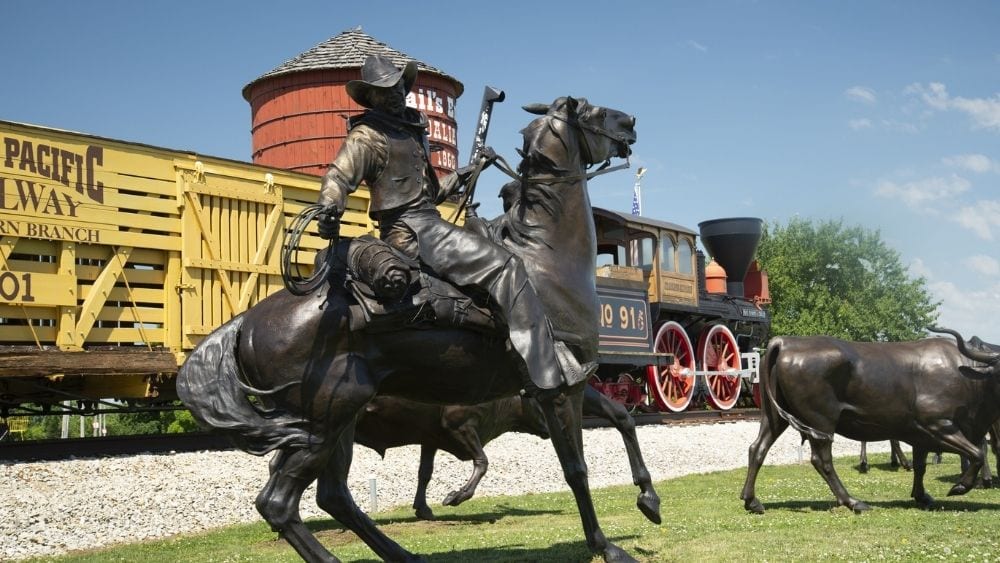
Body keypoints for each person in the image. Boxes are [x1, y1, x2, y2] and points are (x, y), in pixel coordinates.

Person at [316, 54, 590, 391]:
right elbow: (337, 177)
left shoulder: (412, 131)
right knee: (507, 266)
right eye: (385, 90)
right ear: (371, 97)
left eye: (398, 86)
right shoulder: (367, 137)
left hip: (428, 223)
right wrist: (329, 205)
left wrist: (467, 172)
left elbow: (430, 193)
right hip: (414, 232)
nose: (395, 94)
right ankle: (545, 373)